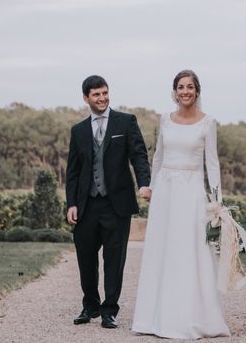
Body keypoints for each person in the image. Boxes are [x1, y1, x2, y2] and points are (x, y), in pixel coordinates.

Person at [131, 69, 232, 339]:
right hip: (165, 191)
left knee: (189, 251)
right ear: (174, 91)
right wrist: (151, 186)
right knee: (162, 249)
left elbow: (212, 163)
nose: (185, 91)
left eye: (190, 87)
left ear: (197, 91)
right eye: (180, 87)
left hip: (192, 193)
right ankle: (153, 317)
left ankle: (189, 317)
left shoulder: (207, 123)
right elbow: (158, 157)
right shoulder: (165, 120)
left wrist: (217, 203)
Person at [65, 75, 152, 329]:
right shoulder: (78, 130)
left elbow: (139, 155)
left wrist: (144, 183)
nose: (102, 98)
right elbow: (72, 171)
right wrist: (72, 203)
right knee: (86, 258)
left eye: (104, 93)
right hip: (87, 205)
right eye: (96, 95)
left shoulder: (126, 122)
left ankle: (109, 311)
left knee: (115, 260)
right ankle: (90, 306)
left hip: (117, 205)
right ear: (86, 98)